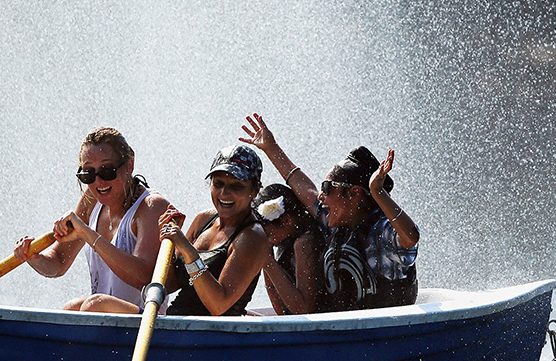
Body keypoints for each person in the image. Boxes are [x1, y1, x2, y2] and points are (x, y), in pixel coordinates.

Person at [240, 113, 419, 311]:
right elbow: (302, 184)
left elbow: (411, 236)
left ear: (354, 194)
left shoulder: (380, 233)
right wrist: (271, 148)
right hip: (346, 331)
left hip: (383, 331)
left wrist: (378, 192)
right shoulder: (335, 224)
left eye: (327, 188)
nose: (320, 196)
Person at [13, 127, 170, 313]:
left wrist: (88, 235)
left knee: (94, 304)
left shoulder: (152, 206)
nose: (98, 182)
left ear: (129, 165)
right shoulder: (91, 200)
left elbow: (144, 277)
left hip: (149, 321)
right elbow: (58, 262)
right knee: (72, 307)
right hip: (104, 317)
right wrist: (34, 257)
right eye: (88, 173)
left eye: (107, 171)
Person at [157, 145, 271, 316]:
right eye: (218, 184)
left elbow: (218, 305)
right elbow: (169, 284)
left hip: (215, 335)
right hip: (178, 325)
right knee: (103, 303)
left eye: (236, 186)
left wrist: (188, 251)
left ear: (255, 190)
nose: (224, 193)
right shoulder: (203, 219)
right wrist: (170, 243)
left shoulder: (253, 237)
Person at [252, 184, 327, 315]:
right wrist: (267, 258)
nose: (269, 241)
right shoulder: (286, 239)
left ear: (287, 221)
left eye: (269, 235)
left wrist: (268, 263)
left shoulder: (305, 243)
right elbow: (280, 311)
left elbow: (303, 310)